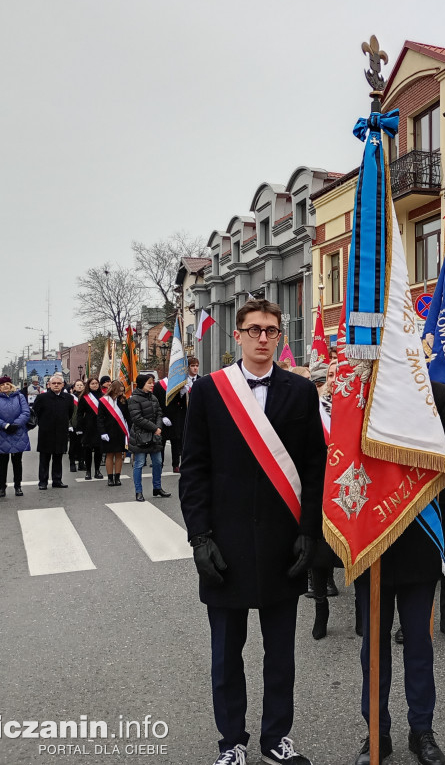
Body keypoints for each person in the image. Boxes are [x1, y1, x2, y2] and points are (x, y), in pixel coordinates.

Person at [179, 299, 326, 765]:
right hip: (226, 544)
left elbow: (314, 468)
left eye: (271, 330)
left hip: (284, 544)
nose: (263, 338)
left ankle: (276, 738)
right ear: (238, 335)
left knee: (281, 654)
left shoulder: (300, 393)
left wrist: (309, 532)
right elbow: (194, 470)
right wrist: (199, 537)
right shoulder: (208, 391)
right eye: (254, 330)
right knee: (226, 656)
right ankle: (232, 744)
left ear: (280, 337)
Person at [351, 380, 445, 765]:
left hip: (418, 536)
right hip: (372, 540)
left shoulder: (436, 393)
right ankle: (376, 732)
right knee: (374, 648)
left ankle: (422, 731)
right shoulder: (361, 390)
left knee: (419, 645)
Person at [306, 360, 339, 641]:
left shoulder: (359, 406)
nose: (335, 378)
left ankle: (361, 611)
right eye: (330, 374)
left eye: (341, 374)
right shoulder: (315, 407)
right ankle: (321, 609)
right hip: (321, 485)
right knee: (320, 552)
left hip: (351, 488)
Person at [128, 374, 172, 502]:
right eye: (149, 383)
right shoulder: (134, 399)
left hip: (155, 436)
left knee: (158, 462)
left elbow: (159, 413)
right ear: (142, 384)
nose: (152, 385)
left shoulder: (153, 397)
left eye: (153, 382)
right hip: (140, 436)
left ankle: (157, 488)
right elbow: (137, 418)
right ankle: (138, 491)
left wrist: (158, 428)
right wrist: (155, 428)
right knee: (139, 463)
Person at [0, 376, 31, 498]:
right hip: (2, 433)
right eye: (2, 385)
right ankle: (2, 487)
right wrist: (5, 425)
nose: (5, 386)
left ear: (11, 385)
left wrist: (16, 424)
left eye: (7, 384)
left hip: (18, 432)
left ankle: (18, 486)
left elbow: (26, 412)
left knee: (17, 461)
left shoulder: (20, 397)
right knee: (3, 462)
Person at [32, 372, 74, 490]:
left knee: (58, 457)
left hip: (61, 431)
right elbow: (36, 413)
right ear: (49, 385)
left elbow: (70, 413)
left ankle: (57, 480)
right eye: (53, 383)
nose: (56, 385)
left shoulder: (68, 398)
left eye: (58, 383)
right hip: (46, 431)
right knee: (44, 458)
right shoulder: (41, 397)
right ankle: (43, 481)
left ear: (63, 385)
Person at [97, 380, 130, 486]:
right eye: (119, 391)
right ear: (114, 389)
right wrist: (102, 432)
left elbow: (127, 417)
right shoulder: (103, 401)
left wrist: (130, 430)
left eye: (122, 391)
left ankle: (118, 477)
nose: (121, 393)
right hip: (108, 431)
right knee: (109, 455)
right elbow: (100, 418)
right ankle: (110, 478)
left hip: (120, 431)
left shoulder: (123, 401)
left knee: (119, 454)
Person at [76, 378, 104, 480]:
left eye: (96, 383)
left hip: (100, 425)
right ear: (89, 385)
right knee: (87, 449)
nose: (95, 385)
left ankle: (97, 470)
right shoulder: (84, 397)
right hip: (88, 425)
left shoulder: (103, 396)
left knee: (98, 450)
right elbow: (79, 413)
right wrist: (79, 426)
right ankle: (88, 471)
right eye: (92, 383)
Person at [68, 379, 86, 472]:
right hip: (73, 425)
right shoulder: (70, 398)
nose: (79, 386)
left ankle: (81, 463)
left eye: (81, 385)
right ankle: (72, 463)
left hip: (84, 425)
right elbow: (67, 413)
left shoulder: (87, 397)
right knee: (73, 445)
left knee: (82, 445)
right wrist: (69, 424)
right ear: (74, 387)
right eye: (77, 385)